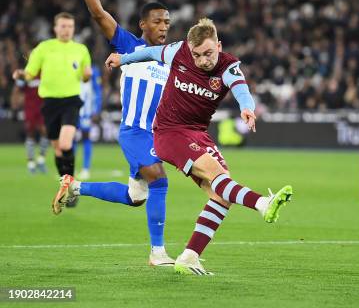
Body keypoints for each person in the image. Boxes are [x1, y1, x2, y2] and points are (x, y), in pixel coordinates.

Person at [96, 17, 293, 276]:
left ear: (219, 46)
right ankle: (262, 203)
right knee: (219, 177)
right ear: (190, 50)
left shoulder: (228, 66)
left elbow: (241, 87)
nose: (203, 60)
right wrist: (123, 59)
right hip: (169, 134)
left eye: (208, 53)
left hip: (198, 135)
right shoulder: (178, 51)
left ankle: (189, 256)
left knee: (222, 193)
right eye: (197, 55)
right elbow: (150, 52)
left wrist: (247, 108)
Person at [55, 0, 174, 267]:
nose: (164, 26)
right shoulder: (128, 45)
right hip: (135, 132)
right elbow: (98, 14)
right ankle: (158, 253)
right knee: (159, 180)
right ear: (143, 26)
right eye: (158, 21)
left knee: (137, 196)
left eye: (167, 22)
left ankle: (76, 186)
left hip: (156, 136)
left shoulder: (171, 59)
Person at [12, 12, 92, 198]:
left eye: (70, 27)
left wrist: (87, 75)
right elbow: (30, 73)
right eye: (63, 26)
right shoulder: (43, 48)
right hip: (49, 104)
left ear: (73, 28)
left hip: (71, 101)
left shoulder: (81, 50)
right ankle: (65, 186)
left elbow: (85, 76)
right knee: (57, 149)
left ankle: (72, 187)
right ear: (55, 28)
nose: (66, 30)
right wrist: (21, 74)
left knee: (65, 144)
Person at [12, 76, 49, 174]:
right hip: (30, 109)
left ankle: (41, 159)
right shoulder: (26, 73)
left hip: (42, 108)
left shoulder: (44, 71)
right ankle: (31, 163)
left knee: (45, 131)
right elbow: (17, 90)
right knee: (30, 133)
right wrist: (15, 107)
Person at [75, 64, 103, 180]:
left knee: (85, 137)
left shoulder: (93, 70)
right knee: (71, 137)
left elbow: (98, 91)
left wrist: (96, 109)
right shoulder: (73, 67)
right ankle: (70, 168)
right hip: (73, 109)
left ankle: (86, 169)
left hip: (86, 111)